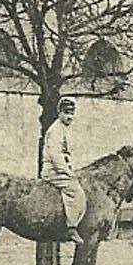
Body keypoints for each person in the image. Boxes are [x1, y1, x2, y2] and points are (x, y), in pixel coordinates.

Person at [42, 96, 85, 243]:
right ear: (59, 112)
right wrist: (67, 172)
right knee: (76, 193)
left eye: (72, 113)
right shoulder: (55, 130)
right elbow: (55, 155)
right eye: (66, 113)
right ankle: (71, 227)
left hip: (61, 169)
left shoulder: (64, 129)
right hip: (53, 171)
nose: (69, 117)